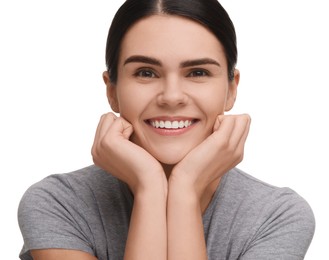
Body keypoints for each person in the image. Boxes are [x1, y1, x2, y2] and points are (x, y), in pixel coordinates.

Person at [17, 0, 315, 259]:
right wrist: (150, 186)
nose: (172, 97)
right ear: (112, 91)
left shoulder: (277, 216)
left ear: (230, 89)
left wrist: (185, 188)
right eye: (146, 73)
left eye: (198, 72)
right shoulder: (58, 203)